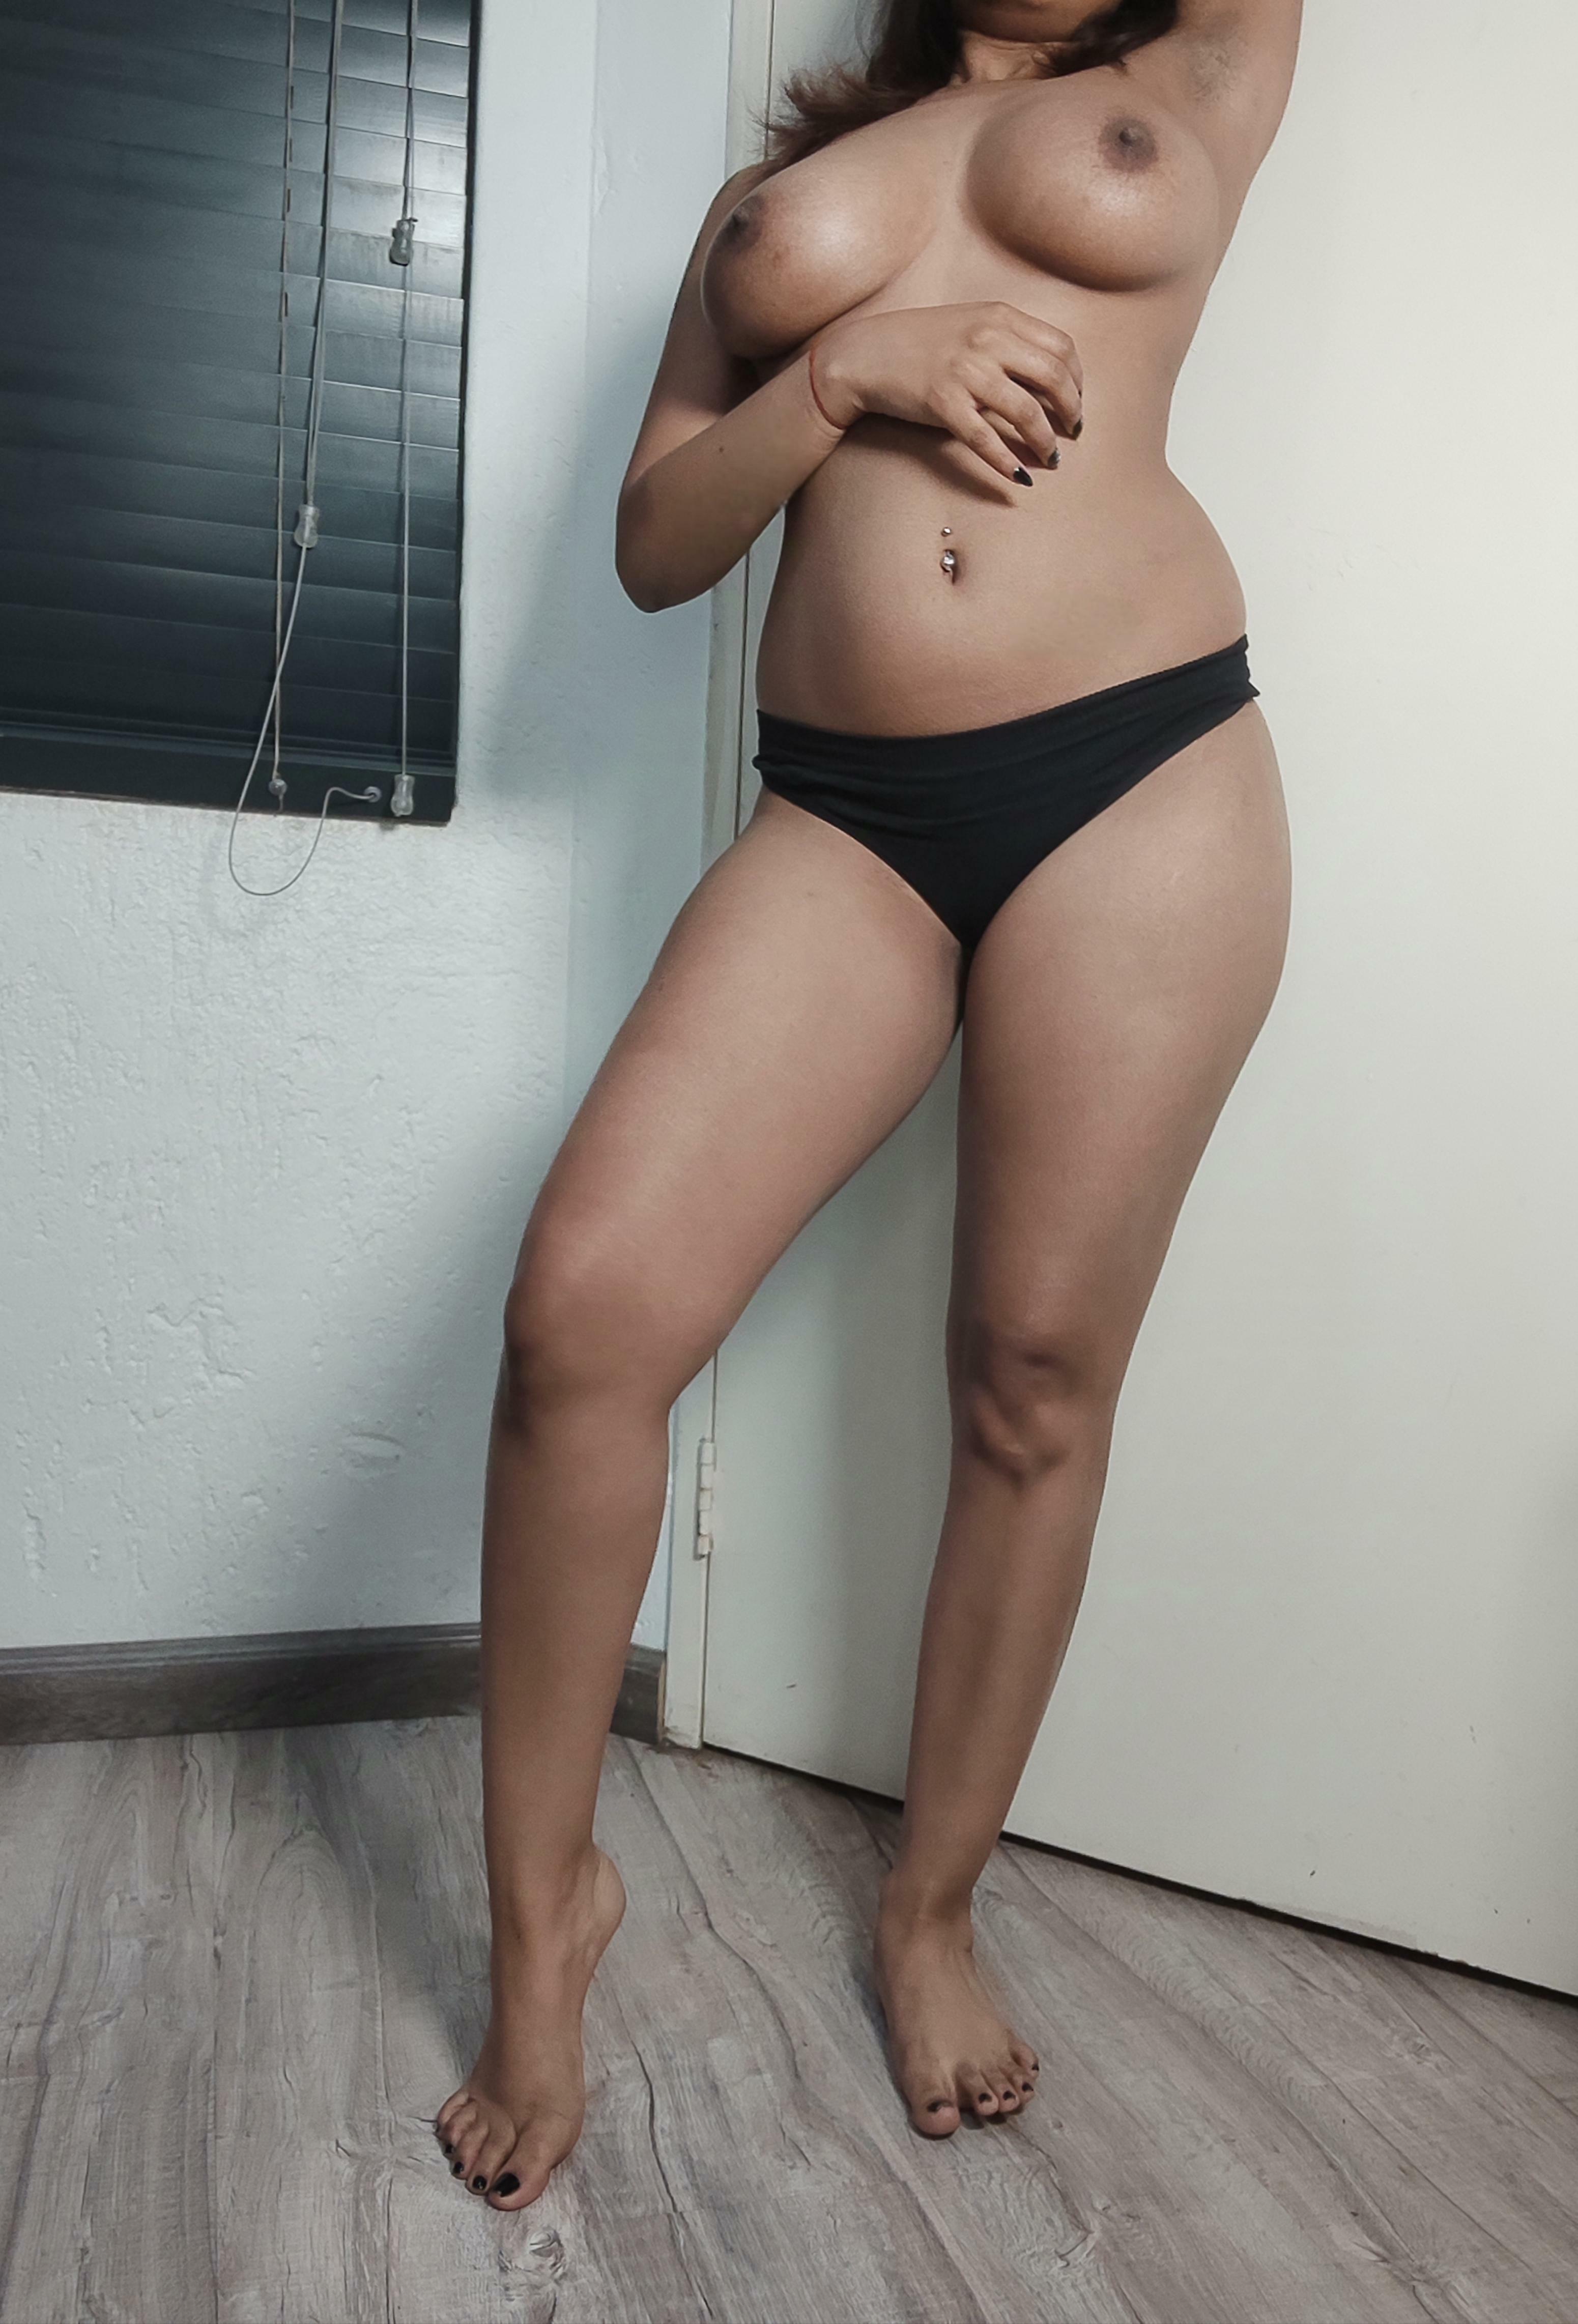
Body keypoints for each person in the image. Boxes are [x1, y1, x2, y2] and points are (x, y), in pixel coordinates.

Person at [437, 0, 1303, 2211]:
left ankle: (930, 1908)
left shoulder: (1193, 78)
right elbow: (655, 544)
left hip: (1139, 772)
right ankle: (545, 1923)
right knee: (580, 1319)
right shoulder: (788, 186)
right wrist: (845, 375)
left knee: (1030, 1375)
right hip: (844, 819)